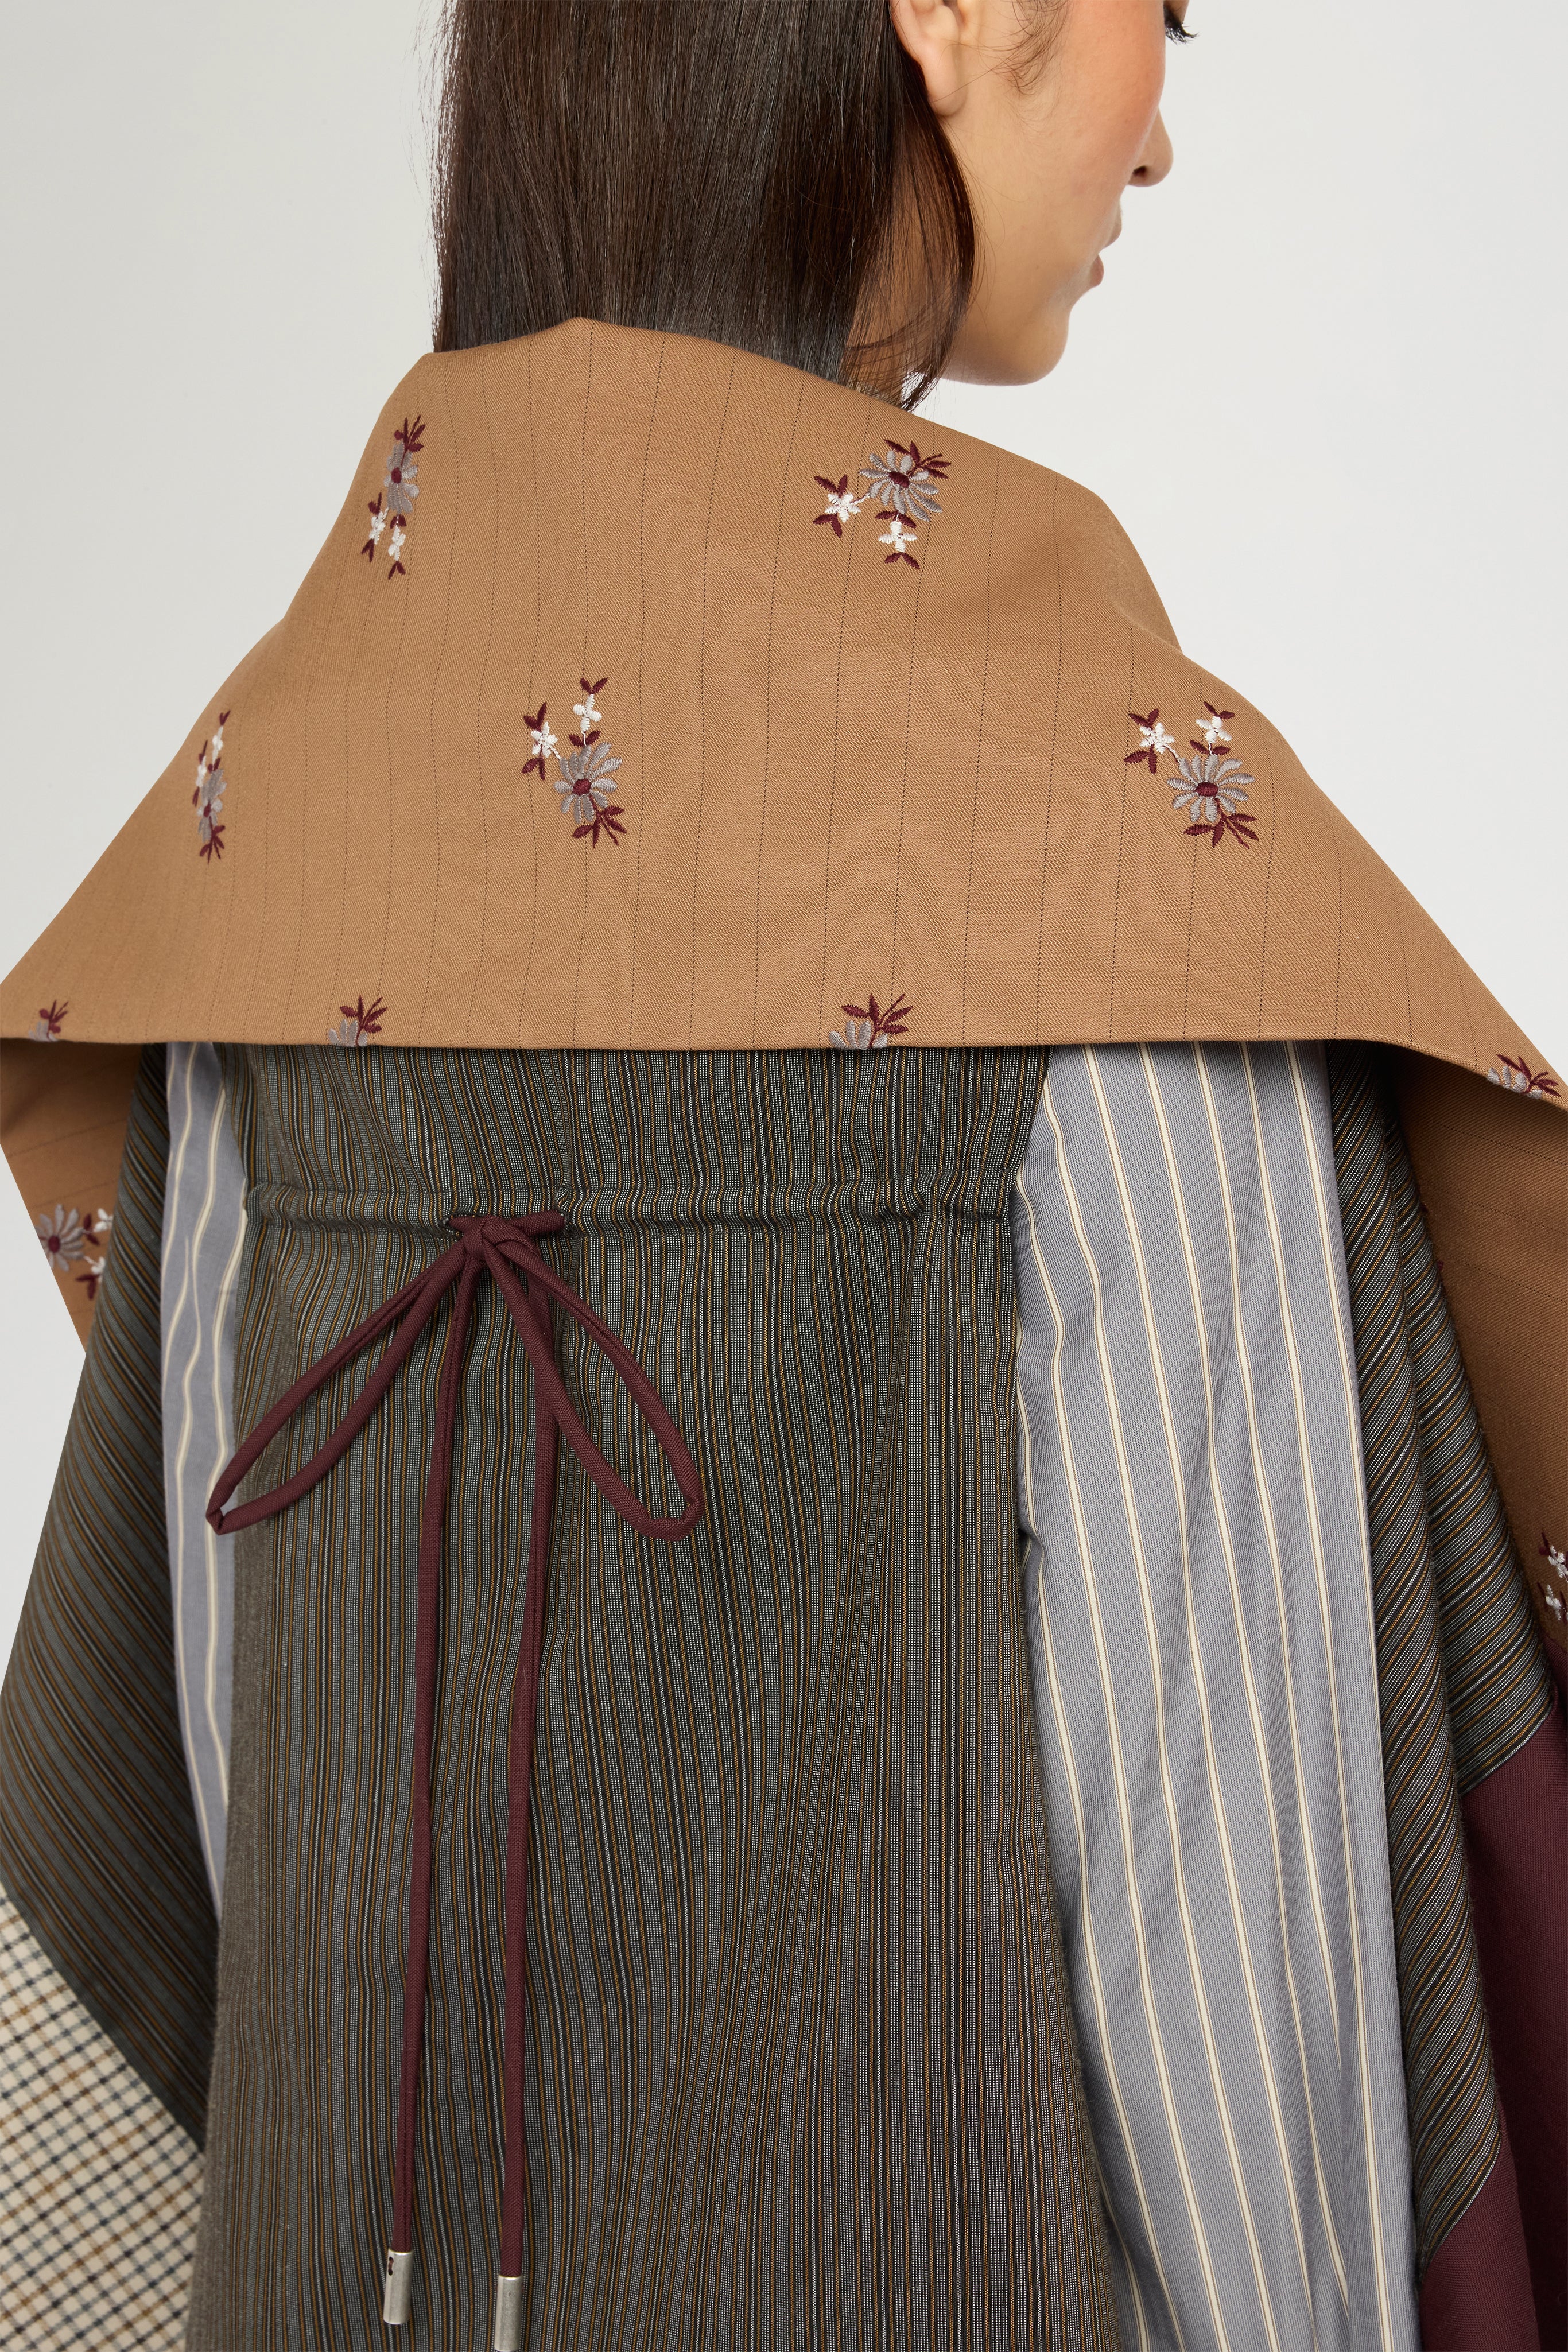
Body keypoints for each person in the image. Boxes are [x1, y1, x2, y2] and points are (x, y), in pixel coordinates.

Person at [1, 1, 1562, 2347]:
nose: (1160, 128)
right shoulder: (1123, 898)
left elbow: (225, 1892)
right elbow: (1233, 2045)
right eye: (1164, 7)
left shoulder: (251, 884)